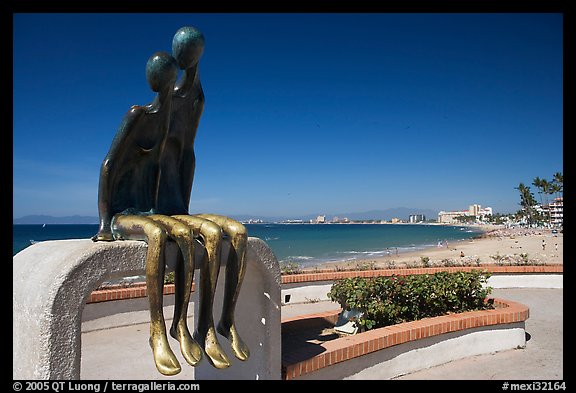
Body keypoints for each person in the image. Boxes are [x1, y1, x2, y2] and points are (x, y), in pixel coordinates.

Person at [92, 52, 202, 376]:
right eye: (169, 78)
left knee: (183, 233)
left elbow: (157, 170)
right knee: (156, 235)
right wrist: (104, 223)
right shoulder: (138, 115)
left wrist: (166, 210)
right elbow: (108, 165)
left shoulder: (167, 120)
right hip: (122, 214)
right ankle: (156, 331)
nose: (173, 86)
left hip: (146, 209)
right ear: (159, 82)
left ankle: (180, 325)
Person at [156, 26, 249, 368]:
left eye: (192, 52)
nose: (188, 59)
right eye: (184, 52)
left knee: (238, 232)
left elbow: (189, 152)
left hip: (178, 200)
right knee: (208, 234)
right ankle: (188, 326)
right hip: (159, 203)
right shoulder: (165, 99)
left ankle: (223, 321)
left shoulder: (197, 96)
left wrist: (183, 202)